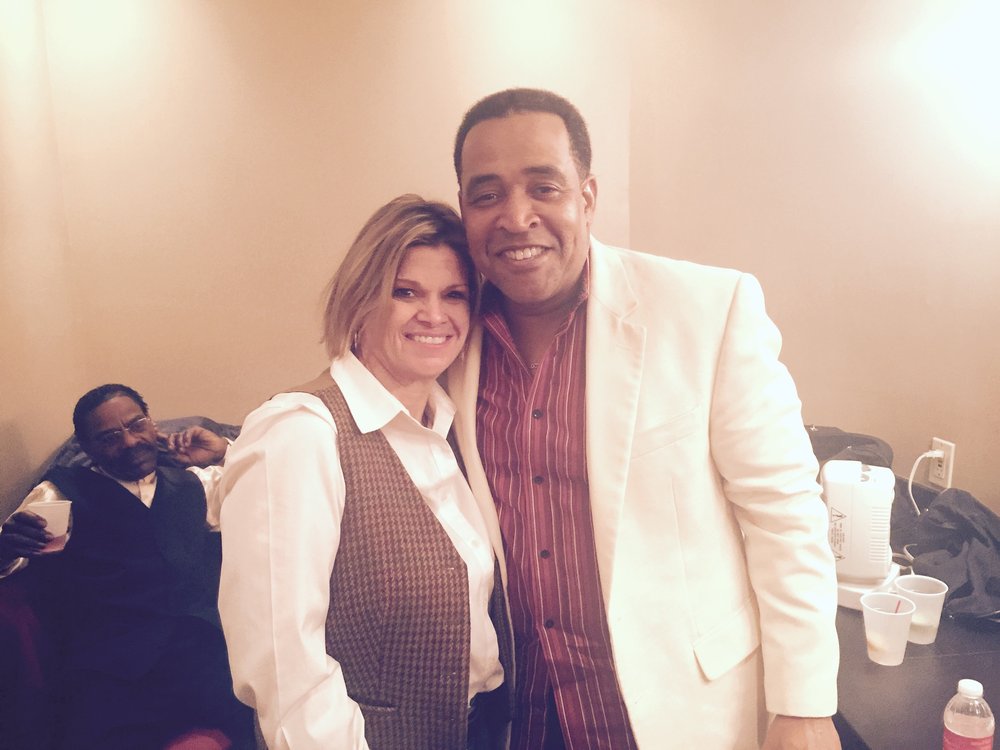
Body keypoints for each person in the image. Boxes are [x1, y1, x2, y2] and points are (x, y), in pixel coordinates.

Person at [445, 88, 842, 749]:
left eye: (544, 187)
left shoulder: (707, 309)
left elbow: (784, 512)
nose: (516, 217)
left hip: (678, 712)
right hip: (524, 715)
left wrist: (803, 707)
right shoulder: (448, 342)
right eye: (487, 195)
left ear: (588, 197)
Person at [217, 194, 512, 750]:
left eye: (454, 295)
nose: (434, 315)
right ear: (360, 301)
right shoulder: (300, 433)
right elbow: (284, 672)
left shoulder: (453, 430)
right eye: (406, 292)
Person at [0, 383, 254, 750]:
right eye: (109, 438)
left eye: (137, 425)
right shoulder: (60, 493)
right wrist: (7, 547)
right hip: (113, 665)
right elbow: (13, 561)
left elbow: (271, 489)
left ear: (152, 424)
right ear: (87, 448)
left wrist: (224, 452)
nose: (130, 442)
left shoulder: (197, 484)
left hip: (201, 653)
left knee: (257, 718)